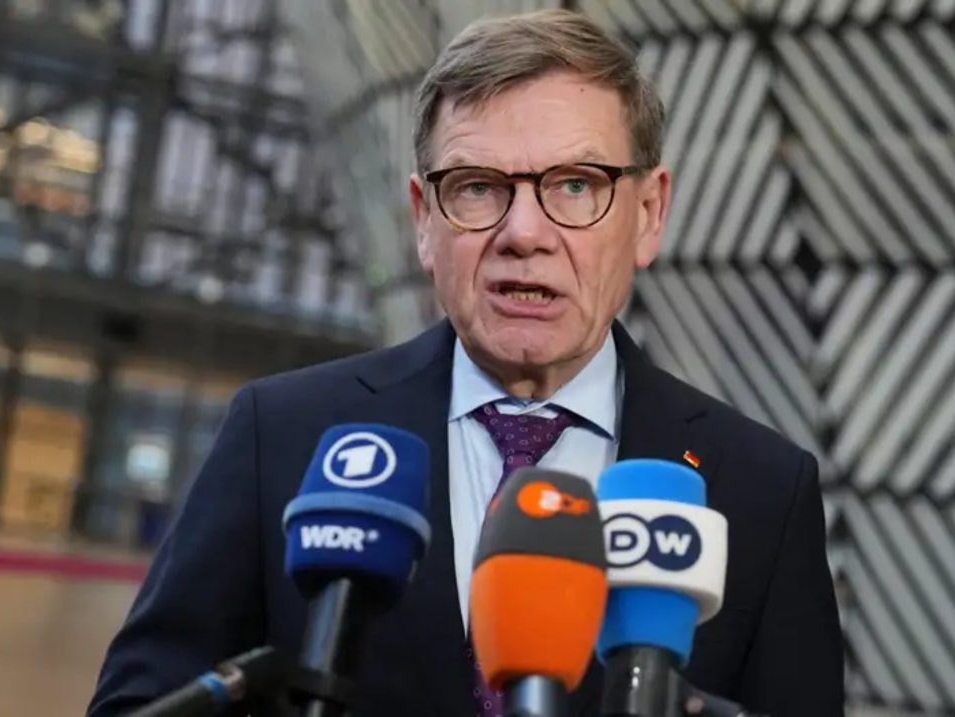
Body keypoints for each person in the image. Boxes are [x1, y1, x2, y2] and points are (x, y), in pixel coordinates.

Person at [88, 9, 843, 717]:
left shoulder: (763, 491)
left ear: (648, 214)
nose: (524, 233)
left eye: (575, 185)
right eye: (478, 188)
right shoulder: (282, 434)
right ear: (424, 221)